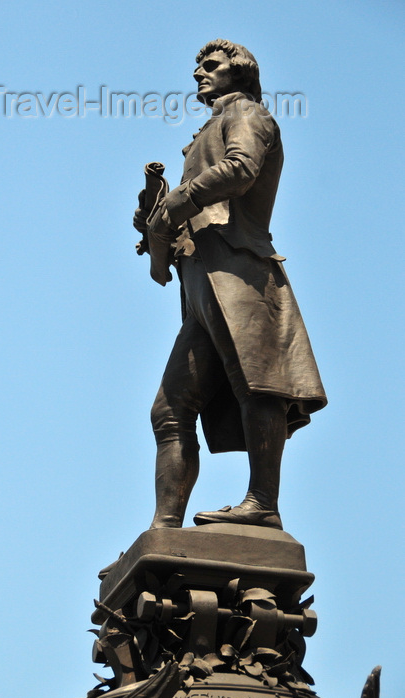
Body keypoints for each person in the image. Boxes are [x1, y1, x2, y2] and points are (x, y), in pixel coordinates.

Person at [133, 39, 327, 531]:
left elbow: (240, 170)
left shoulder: (248, 114)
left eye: (211, 66)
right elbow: (192, 209)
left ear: (239, 74)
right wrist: (156, 225)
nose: (199, 72)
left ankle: (262, 502)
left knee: (257, 386)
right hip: (201, 281)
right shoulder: (207, 129)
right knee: (169, 410)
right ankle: (164, 528)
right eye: (197, 66)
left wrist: (177, 202)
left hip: (238, 271)